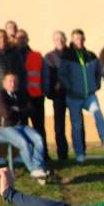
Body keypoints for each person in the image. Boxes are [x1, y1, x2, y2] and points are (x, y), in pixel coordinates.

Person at [60, 29, 104, 162]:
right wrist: (69, 87)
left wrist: (97, 85)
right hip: (73, 97)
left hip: (89, 95)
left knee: (97, 113)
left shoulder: (91, 55)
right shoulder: (67, 56)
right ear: (72, 40)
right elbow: (62, 74)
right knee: (77, 125)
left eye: (82, 39)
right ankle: (79, 153)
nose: (80, 41)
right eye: (77, 39)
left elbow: (98, 72)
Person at [0, 72, 49, 181]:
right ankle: (34, 170)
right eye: (10, 81)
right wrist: (20, 110)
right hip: (5, 128)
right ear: (4, 83)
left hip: (21, 126)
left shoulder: (21, 94)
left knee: (38, 139)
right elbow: (6, 114)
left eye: (14, 81)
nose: (12, 84)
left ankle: (38, 167)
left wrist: (15, 109)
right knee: (24, 143)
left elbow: (31, 110)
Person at [0, 28, 24, 163]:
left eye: (3, 37)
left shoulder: (14, 53)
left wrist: (17, 88)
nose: (2, 39)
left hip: (12, 93)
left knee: (15, 122)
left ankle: (16, 154)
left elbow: (20, 71)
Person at [14, 30, 49, 161]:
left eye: (23, 38)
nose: (21, 40)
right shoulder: (12, 57)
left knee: (39, 128)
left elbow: (45, 75)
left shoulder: (37, 55)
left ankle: (43, 155)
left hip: (36, 98)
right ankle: (25, 156)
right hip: (20, 99)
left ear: (27, 39)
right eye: (18, 38)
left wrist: (45, 91)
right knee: (21, 129)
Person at [45, 31, 69, 161]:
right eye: (56, 39)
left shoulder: (72, 54)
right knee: (59, 126)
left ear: (65, 39)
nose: (59, 40)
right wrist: (50, 93)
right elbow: (46, 76)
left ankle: (80, 152)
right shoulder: (49, 57)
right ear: (53, 41)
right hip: (58, 95)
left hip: (72, 94)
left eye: (61, 38)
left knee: (77, 124)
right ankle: (62, 153)